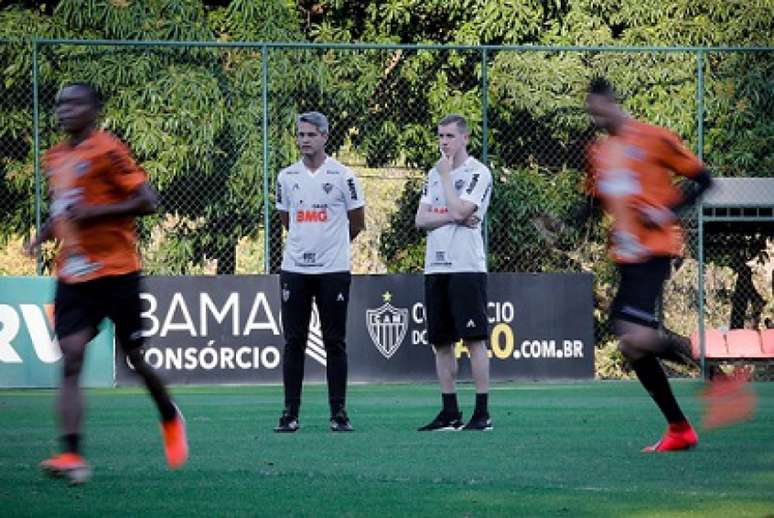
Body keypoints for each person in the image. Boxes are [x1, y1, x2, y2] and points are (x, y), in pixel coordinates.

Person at [24, 83, 188, 484]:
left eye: (75, 103)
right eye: (61, 103)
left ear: (94, 110)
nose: (65, 109)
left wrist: (95, 212)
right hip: (74, 275)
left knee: (136, 359)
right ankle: (71, 455)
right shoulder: (55, 157)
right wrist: (42, 234)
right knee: (71, 358)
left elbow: (148, 202)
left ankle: (169, 415)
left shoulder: (109, 149)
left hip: (117, 271)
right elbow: (65, 211)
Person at [584, 77, 714, 452]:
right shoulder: (601, 153)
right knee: (631, 346)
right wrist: (562, 223)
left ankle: (715, 372)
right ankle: (679, 428)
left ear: (613, 103)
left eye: (599, 110)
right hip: (627, 255)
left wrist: (668, 211)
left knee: (632, 335)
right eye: (590, 113)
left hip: (656, 248)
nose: (595, 118)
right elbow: (593, 201)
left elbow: (704, 179)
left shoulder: (653, 137)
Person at [274, 111, 365, 433]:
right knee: (293, 341)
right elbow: (287, 220)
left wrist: (333, 246)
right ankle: (290, 413)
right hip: (295, 269)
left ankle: (338, 413)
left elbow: (358, 222)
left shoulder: (344, 176)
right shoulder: (286, 177)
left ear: (325, 136)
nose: (304, 140)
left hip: (333, 270)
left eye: (311, 134)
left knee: (334, 341)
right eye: (300, 135)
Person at [415, 114, 493, 431]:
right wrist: (453, 214)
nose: (443, 142)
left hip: (466, 267)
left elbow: (465, 210)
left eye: (449, 136)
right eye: (440, 136)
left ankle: (482, 413)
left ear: (465, 138)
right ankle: (449, 412)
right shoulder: (432, 174)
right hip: (436, 265)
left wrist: (448, 182)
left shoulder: (478, 172)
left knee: (474, 340)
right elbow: (421, 219)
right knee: (442, 342)